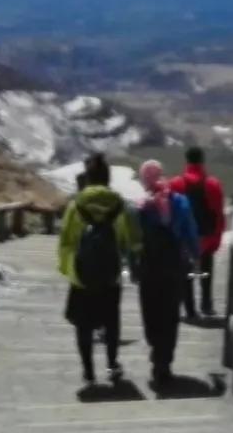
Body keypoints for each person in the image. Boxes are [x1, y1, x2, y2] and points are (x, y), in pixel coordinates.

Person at [58, 153, 141, 385]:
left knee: (83, 324)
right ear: (107, 179)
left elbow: (66, 240)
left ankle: (88, 371)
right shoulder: (119, 205)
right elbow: (129, 239)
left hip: (81, 275)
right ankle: (112, 364)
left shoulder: (76, 205)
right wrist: (126, 260)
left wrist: (69, 269)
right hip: (110, 275)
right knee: (111, 320)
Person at [132, 159, 200, 385]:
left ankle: (156, 352)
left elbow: (134, 240)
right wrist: (195, 255)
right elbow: (190, 231)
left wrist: (131, 264)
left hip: (149, 267)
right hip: (174, 265)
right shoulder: (179, 201)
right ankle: (165, 361)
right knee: (170, 315)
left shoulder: (140, 206)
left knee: (150, 312)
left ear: (144, 180)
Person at [168, 145, 226, 319]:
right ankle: (206, 304)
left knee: (186, 273)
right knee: (206, 269)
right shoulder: (213, 184)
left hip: (184, 238)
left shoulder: (175, 184)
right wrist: (216, 238)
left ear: (187, 161)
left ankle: (189, 309)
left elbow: (170, 213)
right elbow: (218, 214)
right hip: (206, 236)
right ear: (202, 161)